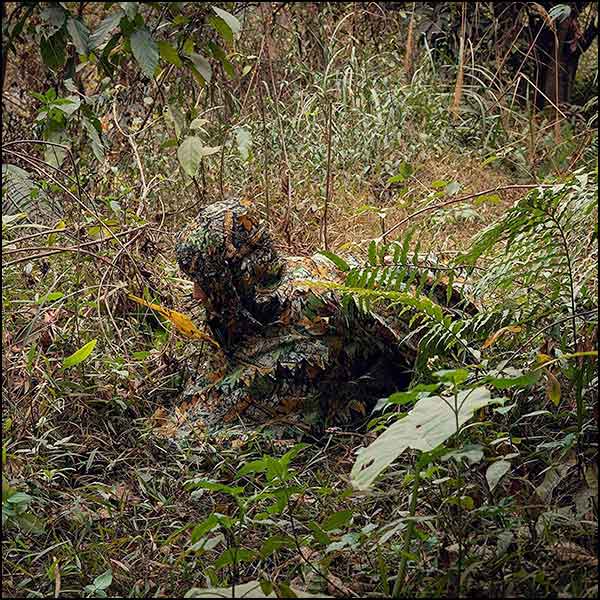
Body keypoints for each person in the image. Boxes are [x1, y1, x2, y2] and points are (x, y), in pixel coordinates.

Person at [175, 199, 417, 435]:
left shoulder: (317, 305)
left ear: (238, 273)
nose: (196, 294)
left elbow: (402, 337)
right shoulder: (248, 298)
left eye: (207, 281)